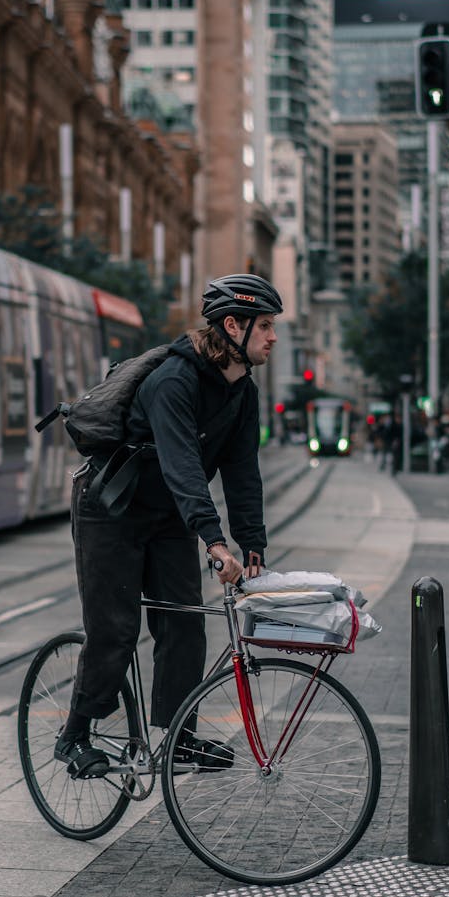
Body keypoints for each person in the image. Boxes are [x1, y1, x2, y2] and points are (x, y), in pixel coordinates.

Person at [55, 273, 282, 779]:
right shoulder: (173, 381)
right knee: (115, 630)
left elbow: (243, 472)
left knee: (184, 626)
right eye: (265, 326)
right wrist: (213, 539)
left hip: (167, 515)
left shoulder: (242, 391)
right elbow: (183, 466)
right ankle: (74, 736)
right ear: (233, 326)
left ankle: (177, 735)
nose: (272, 337)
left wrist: (251, 545)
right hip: (111, 510)